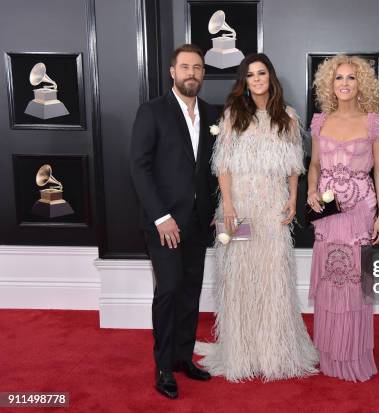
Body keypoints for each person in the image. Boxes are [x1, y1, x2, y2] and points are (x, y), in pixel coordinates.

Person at [194, 53, 319, 382]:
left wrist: (292, 200)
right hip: (237, 208)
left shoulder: (288, 117)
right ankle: (242, 351)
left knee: (273, 277)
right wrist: (230, 206)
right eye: (250, 75)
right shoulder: (233, 114)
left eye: (262, 73)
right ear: (244, 82)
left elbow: (294, 166)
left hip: (273, 208)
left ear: (271, 76)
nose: (257, 79)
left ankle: (273, 350)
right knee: (236, 279)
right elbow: (222, 164)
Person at [130, 44, 219, 399]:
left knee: (189, 292)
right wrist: (161, 217)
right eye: (185, 67)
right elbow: (139, 167)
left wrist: (215, 205)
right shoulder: (152, 111)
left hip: (198, 223)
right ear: (172, 72)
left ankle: (183, 358)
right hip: (164, 224)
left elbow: (214, 169)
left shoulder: (213, 114)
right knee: (167, 292)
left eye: (197, 67)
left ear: (203, 73)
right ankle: (163, 367)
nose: (191, 73)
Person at [307, 54, 379, 382]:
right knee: (330, 281)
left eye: (351, 78)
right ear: (330, 83)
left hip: (360, 212)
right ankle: (329, 353)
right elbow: (313, 163)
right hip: (327, 213)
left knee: (356, 286)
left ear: (361, 84)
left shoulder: (374, 123)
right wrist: (312, 190)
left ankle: (353, 354)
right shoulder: (319, 121)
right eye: (338, 78)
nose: (344, 83)